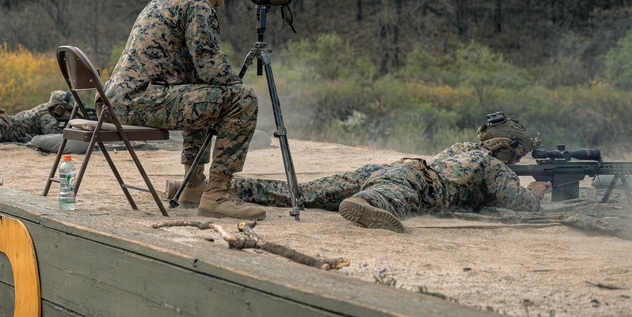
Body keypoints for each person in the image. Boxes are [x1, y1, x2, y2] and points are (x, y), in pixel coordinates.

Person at [106, 0, 266, 221]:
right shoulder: (198, 5)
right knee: (243, 101)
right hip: (142, 100)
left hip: (123, 100)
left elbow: (200, 76)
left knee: (204, 95)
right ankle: (216, 195)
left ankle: (193, 186)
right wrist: (235, 85)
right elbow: (211, 68)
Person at [228, 112, 551, 232]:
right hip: (415, 183)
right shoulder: (494, 167)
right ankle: (369, 204)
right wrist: (533, 194)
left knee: (303, 192)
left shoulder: (461, 149)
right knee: (383, 197)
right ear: (508, 150)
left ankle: (225, 187)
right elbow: (519, 204)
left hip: (392, 169)